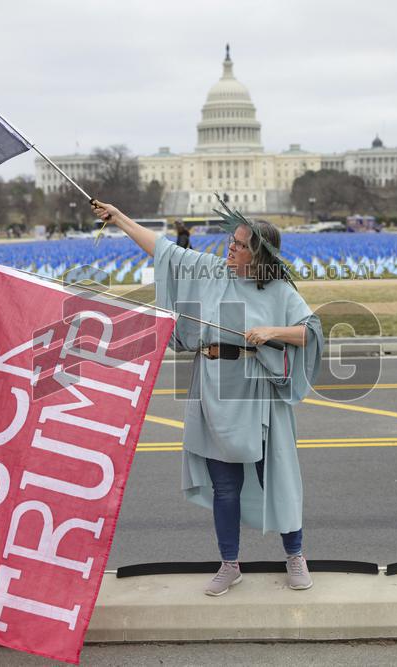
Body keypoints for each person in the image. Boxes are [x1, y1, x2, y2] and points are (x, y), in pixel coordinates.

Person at [92, 199, 323, 597]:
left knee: (277, 475)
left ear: (260, 254)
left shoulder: (279, 289)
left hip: (256, 387)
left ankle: (295, 555)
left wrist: (271, 332)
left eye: (239, 245)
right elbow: (162, 249)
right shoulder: (210, 271)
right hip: (212, 384)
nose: (230, 249)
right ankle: (229, 564)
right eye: (231, 241)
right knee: (225, 485)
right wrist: (120, 219)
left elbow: (311, 333)